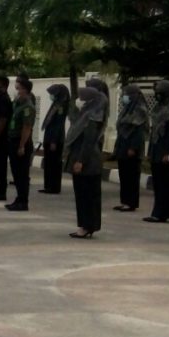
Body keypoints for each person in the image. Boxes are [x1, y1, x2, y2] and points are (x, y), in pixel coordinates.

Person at [65, 86, 108, 238]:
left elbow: (88, 142)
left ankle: (86, 226)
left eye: (81, 98)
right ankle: (87, 226)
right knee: (85, 195)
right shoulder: (86, 115)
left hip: (87, 162)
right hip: (86, 161)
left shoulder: (91, 118)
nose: (78, 100)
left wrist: (80, 161)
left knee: (86, 196)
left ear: (89, 101)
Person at [144, 80, 169, 223]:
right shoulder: (158, 108)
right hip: (156, 149)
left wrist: (168, 152)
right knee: (158, 183)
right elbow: (154, 131)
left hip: (166, 152)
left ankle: (161, 213)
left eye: (160, 93)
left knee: (165, 183)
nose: (157, 95)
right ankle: (158, 212)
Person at [113, 84, 150, 212]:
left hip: (132, 148)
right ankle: (124, 201)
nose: (124, 97)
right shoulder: (127, 109)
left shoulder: (140, 110)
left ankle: (131, 202)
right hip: (123, 146)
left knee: (132, 176)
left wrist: (133, 148)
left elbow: (139, 132)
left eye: (127, 94)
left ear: (134, 96)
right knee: (124, 175)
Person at [5, 77, 36, 211]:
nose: (17, 92)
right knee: (16, 173)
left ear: (26, 90)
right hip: (13, 140)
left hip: (21, 141)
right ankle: (19, 198)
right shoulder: (18, 104)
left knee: (22, 174)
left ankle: (23, 201)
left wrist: (22, 145)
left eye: (19, 89)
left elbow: (27, 127)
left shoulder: (28, 107)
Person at [39, 84, 70, 194]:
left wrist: (53, 141)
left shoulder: (61, 106)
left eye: (52, 93)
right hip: (49, 137)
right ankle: (48, 186)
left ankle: (54, 187)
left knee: (54, 164)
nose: (51, 96)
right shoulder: (56, 104)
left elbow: (58, 124)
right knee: (48, 163)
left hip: (55, 139)